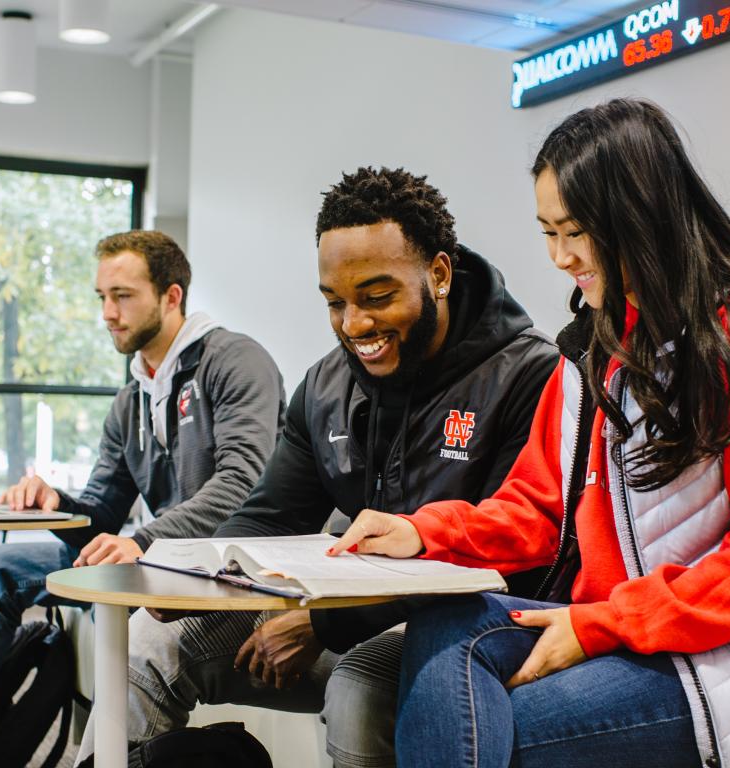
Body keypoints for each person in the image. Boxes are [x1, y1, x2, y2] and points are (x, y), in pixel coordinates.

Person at [331, 99, 730, 768]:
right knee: (445, 622)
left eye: (574, 231)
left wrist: (601, 624)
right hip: (634, 631)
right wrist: (425, 531)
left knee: (489, 733)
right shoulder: (595, 346)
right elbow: (539, 508)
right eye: (547, 233)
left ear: (637, 216)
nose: (561, 257)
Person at [75, 167, 560, 768]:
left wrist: (324, 626)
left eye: (377, 297)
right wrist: (187, 579)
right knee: (146, 640)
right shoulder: (327, 384)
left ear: (437, 273)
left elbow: (507, 557)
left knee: (358, 688)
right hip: (336, 614)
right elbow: (269, 515)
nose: (355, 324)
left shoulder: (529, 374)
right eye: (336, 302)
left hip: (461, 628)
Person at [0, 230, 285, 768]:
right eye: (102, 297)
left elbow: (244, 482)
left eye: (123, 296)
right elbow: (100, 512)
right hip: (151, 559)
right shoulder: (132, 399)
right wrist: (51, 501)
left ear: (172, 296)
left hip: (220, 565)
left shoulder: (235, 361)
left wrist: (145, 542)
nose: (108, 312)